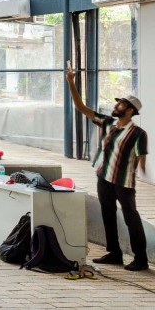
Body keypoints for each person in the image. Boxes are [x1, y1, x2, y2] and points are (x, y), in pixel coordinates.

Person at [65, 66, 147, 271]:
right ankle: (114, 254)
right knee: (107, 214)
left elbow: (140, 157)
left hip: (124, 182)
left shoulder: (138, 133)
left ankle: (141, 258)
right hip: (103, 176)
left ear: (130, 110)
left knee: (131, 218)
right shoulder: (108, 122)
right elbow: (81, 107)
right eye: (118, 102)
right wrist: (71, 83)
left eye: (121, 103)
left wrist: (141, 170)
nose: (117, 104)